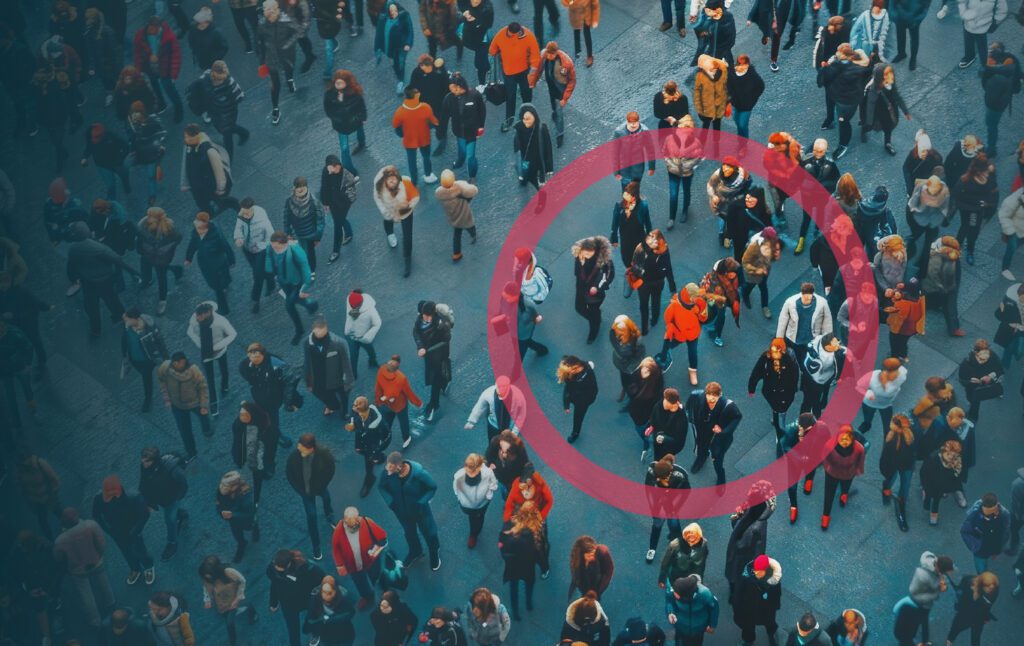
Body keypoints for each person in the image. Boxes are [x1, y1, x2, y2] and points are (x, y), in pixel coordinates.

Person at [66, 222, 136, 337]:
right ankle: (120, 317)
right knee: (112, 300)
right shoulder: (97, 247)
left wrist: (74, 279)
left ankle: (95, 330)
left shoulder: (73, 249)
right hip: (104, 279)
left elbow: (71, 266)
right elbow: (116, 259)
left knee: (91, 306)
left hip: (87, 281)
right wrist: (133, 272)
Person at [238, 341, 298, 471]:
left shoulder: (275, 364)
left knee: (272, 429)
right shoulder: (245, 364)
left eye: (257, 356)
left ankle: (269, 460)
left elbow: (290, 380)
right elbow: (244, 371)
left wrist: (287, 402)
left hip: (272, 402)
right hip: (259, 399)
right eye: (251, 356)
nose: (254, 360)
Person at [53, 508, 115, 630]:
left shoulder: (60, 540)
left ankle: (95, 620)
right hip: (96, 561)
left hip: (77, 569)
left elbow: (57, 558)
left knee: (85, 593)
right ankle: (111, 603)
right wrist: (99, 555)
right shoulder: (90, 525)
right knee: (104, 582)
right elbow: (102, 543)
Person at [379, 450, 442, 570]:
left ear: (399, 466)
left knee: (429, 532)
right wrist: (391, 502)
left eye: (391, 467)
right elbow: (381, 486)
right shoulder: (389, 472)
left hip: (420, 510)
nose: (388, 470)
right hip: (402, 512)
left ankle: (434, 550)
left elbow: (432, 487)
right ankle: (415, 551)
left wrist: (421, 502)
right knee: (409, 533)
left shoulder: (418, 473)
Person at [92, 474, 154, 585]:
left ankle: (148, 567)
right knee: (126, 552)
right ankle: (135, 569)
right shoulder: (99, 498)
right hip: (117, 532)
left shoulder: (134, 497)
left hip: (133, 530)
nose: (106, 498)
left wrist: (136, 530)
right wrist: (108, 530)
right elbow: (96, 515)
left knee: (140, 550)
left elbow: (145, 515)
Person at [286, 433, 337, 560]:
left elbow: (331, 469)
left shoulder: (323, 454)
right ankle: (316, 545)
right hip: (305, 492)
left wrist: (323, 484)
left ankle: (329, 513)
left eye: (302, 448)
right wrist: (300, 490)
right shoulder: (294, 457)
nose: (299, 449)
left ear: (311, 449)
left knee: (326, 497)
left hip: (319, 486)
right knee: (311, 516)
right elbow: (289, 474)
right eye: (299, 446)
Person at [724, 481, 775, 602]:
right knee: (742, 577)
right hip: (750, 556)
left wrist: (737, 518)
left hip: (742, 556)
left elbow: (739, 540)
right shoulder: (760, 515)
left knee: (735, 575)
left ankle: (735, 594)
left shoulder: (753, 524)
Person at [266, 231, 319, 344]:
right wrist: (270, 269)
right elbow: (268, 256)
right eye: (273, 246)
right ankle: (311, 305)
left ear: (284, 244)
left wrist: (303, 288)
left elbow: (305, 268)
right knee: (297, 299)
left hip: (296, 283)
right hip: (283, 281)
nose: (274, 248)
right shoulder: (272, 247)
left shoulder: (295, 249)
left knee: (289, 305)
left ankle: (299, 330)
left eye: (276, 247)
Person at [820, 44, 871, 160]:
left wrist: (826, 67)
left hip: (847, 102)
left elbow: (828, 76)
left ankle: (843, 145)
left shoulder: (847, 69)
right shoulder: (851, 66)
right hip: (844, 98)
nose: (837, 53)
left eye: (839, 52)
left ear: (845, 56)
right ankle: (831, 121)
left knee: (843, 121)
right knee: (842, 119)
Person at [331, 507, 388, 610]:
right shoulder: (339, 530)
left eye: (355, 523)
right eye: (349, 524)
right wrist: (340, 565)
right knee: (360, 582)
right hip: (353, 565)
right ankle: (367, 596)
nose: (352, 527)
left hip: (371, 561)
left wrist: (375, 550)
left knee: (375, 576)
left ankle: (377, 588)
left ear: (359, 518)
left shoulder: (367, 522)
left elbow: (382, 538)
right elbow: (336, 548)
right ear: (344, 520)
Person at [686, 381, 742, 485]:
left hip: (719, 438)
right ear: (705, 394)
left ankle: (721, 478)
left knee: (717, 460)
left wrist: (723, 430)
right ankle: (701, 458)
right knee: (701, 448)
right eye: (708, 396)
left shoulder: (728, 405)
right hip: (703, 433)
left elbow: (737, 417)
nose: (711, 400)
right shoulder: (699, 397)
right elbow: (691, 407)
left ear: (719, 395)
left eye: (714, 398)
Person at [139, 447, 189, 562]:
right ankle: (181, 514)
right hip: (159, 499)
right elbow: (143, 481)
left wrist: (176, 498)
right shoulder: (145, 466)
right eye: (143, 460)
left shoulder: (172, 469)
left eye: (147, 461)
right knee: (172, 514)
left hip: (170, 500)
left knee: (170, 520)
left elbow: (183, 484)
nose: (144, 463)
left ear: (155, 460)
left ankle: (172, 543)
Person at [158, 352, 210, 461]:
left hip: (195, 403)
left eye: (182, 362)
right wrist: (167, 399)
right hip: (177, 406)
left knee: (203, 415)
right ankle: (191, 452)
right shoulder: (165, 368)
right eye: (178, 363)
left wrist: (204, 405)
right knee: (184, 430)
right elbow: (162, 382)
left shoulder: (193, 370)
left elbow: (203, 387)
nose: (181, 364)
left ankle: (207, 428)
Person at [267, 549, 326, 646]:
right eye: (274, 565)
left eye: (279, 568)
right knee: (293, 629)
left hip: (306, 599)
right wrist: (273, 601)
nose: (275, 569)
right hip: (288, 604)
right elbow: (274, 584)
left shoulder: (307, 569)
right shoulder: (273, 569)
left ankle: (314, 633)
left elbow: (323, 578)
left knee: (313, 618)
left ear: (289, 564)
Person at [489, 22, 541, 130]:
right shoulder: (528, 35)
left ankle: (509, 121)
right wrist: (533, 70)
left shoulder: (501, 34)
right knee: (526, 94)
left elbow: (492, 50)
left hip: (509, 73)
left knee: (510, 97)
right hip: (523, 71)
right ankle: (528, 117)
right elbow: (535, 55)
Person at [497, 499, 544, 620]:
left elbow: (502, 545)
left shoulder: (510, 527)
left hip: (514, 565)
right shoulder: (535, 530)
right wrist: (543, 565)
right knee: (528, 584)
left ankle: (516, 611)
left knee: (514, 587)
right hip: (527, 565)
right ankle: (528, 604)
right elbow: (540, 550)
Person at [191, 60, 248, 158]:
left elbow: (239, 96)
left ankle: (229, 158)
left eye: (222, 79)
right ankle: (244, 133)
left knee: (227, 134)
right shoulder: (205, 80)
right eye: (219, 79)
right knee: (224, 129)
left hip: (229, 113)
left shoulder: (229, 81)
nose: (221, 82)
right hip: (215, 112)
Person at [258, 0, 301, 125]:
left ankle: (290, 79)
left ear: (277, 9)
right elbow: (259, 44)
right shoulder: (261, 25)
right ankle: (275, 108)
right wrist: (261, 61)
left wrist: (288, 45)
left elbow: (297, 32)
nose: (270, 12)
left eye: (272, 9)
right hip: (271, 58)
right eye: (266, 9)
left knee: (288, 70)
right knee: (275, 85)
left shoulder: (286, 20)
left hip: (287, 56)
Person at [133, 16, 183, 123]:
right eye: (152, 29)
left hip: (165, 68)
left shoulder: (169, 36)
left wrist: (174, 74)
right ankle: (162, 103)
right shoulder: (140, 35)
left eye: (157, 29)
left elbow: (176, 55)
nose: (155, 32)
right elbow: (137, 53)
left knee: (170, 89)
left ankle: (178, 108)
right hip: (150, 67)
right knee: (154, 86)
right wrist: (138, 69)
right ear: (149, 26)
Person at [181, 124, 239, 215]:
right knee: (202, 204)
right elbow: (185, 164)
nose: (186, 139)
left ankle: (236, 205)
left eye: (188, 137)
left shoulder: (209, 150)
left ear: (197, 136)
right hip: (196, 186)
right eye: (185, 137)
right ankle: (209, 215)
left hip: (210, 185)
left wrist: (220, 188)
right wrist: (185, 183)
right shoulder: (188, 147)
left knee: (220, 200)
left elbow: (219, 172)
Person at [373, 165, 420, 277]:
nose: (392, 181)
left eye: (394, 179)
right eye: (389, 180)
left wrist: (409, 205)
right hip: (389, 209)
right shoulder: (379, 187)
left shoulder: (406, 183)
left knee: (407, 236)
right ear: (385, 180)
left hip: (405, 211)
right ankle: (390, 233)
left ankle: (407, 259)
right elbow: (377, 199)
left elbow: (415, 196)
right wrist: (385, 212)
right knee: (388, 220)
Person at [303, 316, 355, 417]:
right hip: (319, 377)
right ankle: (333, 406)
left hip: (337, 377)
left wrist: (349, 381)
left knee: (344, 396)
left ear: (327, 329)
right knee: (324, 394)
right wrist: (308, 381)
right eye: (317, 332)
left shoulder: (338, 343)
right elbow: (307, 361)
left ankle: (344, 412)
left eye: (322, 332)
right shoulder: (307, 343)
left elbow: (346, 362)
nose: (319, 335)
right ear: (313, 329)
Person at [199, 555, 256, 646]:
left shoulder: (229, 572)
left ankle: (253, 615)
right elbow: (206, 587)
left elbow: (242, 581)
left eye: (210, 576)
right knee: (229, 621)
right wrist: (207, 599)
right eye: (206, 577)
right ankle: (233, 641)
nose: (208, 579)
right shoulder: (208, 578)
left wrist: (237, 598)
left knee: (245, 606)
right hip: (222, 602)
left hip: (235, 596)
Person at [747, 338, 799, 437]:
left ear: (782, 351)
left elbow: (794, 377)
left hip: (785, 392)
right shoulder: (766, 357)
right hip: (770, 390)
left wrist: (793, 390)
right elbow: (756, 372)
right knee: (776, 408)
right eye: (772, 350)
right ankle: (778, 421)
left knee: (782, 409)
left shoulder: (790, 360)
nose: (773, 353)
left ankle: (780, 425)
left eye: (776, 351)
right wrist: (751, 388)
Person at [656, 284, 708, 382]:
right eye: (696, 296)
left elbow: (704, 319)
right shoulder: (675, 304)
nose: (698, 298)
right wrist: (672, 328)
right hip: (679, 333)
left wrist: (700, 312)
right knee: (669, 346)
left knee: (692, 352)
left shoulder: (700, 303)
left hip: (692, 334)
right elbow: (668, 318)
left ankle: (693, 371)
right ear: (691, 297)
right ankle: (663, 359)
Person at [954, 154, 999, 266]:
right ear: (979, 171)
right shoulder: (965, 181)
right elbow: (957, 197)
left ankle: (970, 250)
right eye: (986, 171)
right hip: (967, 209)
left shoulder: (990, 177)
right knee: (964, 227)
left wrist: (988, 204)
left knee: (973, 230)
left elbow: (994, 191)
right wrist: (976, 204)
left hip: (976, 211)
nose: (988, 173)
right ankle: (956, 246)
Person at [528, 41, 575, 148]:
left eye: (551, 54)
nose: (549, 56)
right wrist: (533, 82)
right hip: (551, 86)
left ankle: (560, 133)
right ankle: (554, 112)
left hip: (560, 88)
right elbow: (539, 69)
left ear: (556, 52)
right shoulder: (544, 54)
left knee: (559, 111)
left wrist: (565, 98)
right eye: (548, 53)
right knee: (553, 105)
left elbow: (572, 81)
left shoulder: (566, 63)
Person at [644, 454, 690, 563]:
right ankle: (652, 548)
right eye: (657, 477)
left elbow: (686, 493)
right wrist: (653, 508)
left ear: (669, 474)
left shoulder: (680, 475)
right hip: (658, 503)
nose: (658, 479)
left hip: (671, 503)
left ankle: (678, 546)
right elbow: (648, 490)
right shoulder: (652, 470)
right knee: (656, 525)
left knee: (674, 525)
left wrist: (676, 508)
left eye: (661, 478)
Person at [233, 198, 276, 313]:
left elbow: (271, 238)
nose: (244, 216)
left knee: (257, 276)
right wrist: (238, 238)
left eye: (246, 213)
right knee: (261, 270)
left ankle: (255, 300)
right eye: (243, 213)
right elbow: (238, 228)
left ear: (252, 209)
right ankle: (271, 283)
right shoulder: (242, 214)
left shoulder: (263, 222)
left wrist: (259, 245)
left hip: (260, 251)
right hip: (248, 250)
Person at [122, 307, 169, 412]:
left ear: (135, 319)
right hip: (136, 360)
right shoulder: (127, 327)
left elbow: (160, 342)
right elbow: (124, 341)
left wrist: (166, 358)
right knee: (145, 377)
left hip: (149, 359)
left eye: (128, 319)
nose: (126, 322)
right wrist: (125, 355)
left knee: (151, 378)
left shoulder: (149, 327)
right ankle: (148, 398)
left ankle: (149, 399)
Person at [903, 552, 955, 646]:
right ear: (939, 568)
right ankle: (915, 639)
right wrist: (936, 593)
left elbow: (926, 553)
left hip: (925, 601)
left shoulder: (931, 560)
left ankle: (922, 640)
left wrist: (941, 580)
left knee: (922, 621)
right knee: (922, 621)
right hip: (920, 603)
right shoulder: (923, 575)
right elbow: (913, 591)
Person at [413, 300, 453, 420]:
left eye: (428, 316)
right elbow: (416, 332)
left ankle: (434, 404)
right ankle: (445, 384)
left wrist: (427, 350)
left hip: (439, 354)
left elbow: (446, 340)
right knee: (439, 374)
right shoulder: (420, 318)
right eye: (424, 316)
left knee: (435, 378)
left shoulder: (442, 324)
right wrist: (420, 346)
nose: (426, 319)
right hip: (429, 354)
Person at [324, 70, 368, 179]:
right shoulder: (330, 94)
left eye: (340, 83)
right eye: (336, 83)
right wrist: (338, 117)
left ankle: (361, 143)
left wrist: (362, 118)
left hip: (355, 121)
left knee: (360, 131)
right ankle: (350, 170)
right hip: (341, 126)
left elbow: (361, 106)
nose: (338, 85)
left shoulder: (354, 92)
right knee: (344, 148)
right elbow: (328, 110)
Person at [820, 425, 865, 530]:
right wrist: (828, 468)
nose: (845, 442)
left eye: (848, 439)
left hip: (848, 474)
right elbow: (825, 458)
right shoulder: (829, 445)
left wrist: (858, 470)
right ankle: (826, 515)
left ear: (852, 438)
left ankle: (844, 494)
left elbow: (860, 460)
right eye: (842, 438)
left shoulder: (859, 448)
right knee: (829, 494)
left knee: (846, 486)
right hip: (832, 474)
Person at [393, 86, 440, 185]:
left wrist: (402, 134)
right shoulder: (425, 107)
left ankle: (414, 180)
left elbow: (396, 125)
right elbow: (434, 121)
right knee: (426, 157)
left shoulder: (400, 112)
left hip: (409, 140)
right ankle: (428, 175)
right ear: (417, 95)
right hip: (424, 138)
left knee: (412, 161)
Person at [571, 236, 615, 343]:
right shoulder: (580, 257)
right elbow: (577, 273)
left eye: (588, 254)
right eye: (584, 253)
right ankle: (596, 318)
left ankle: (594, 331)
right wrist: (581, 262)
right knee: (579, 308)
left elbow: (610, 276)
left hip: (595, 293)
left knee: (593, 313)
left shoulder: (604, 261)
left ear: (594, 251)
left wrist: (598, 287)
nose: (586, 256)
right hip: (581, 289)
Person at [776, 282, 832, 366]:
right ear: (801, 293)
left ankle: (804, 369)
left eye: (809, 298)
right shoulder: (790, 302)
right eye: (805, 298)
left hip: (812, 339)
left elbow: (827, 322)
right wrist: (779, 338)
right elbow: (782, 321)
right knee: (791, 356)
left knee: (806, 358)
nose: (806, 301)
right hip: (793, 338)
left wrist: (827, 341)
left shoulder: (822, 303)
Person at [861, 63, 910, 156]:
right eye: (887, 74)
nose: (891, 76)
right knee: (869, 126)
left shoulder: (891, 82)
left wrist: (905, 111)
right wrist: (869, 120)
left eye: (891, 73)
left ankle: (887, 144)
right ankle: (864, 130)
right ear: (880, 77)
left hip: (889, 109)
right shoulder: (873, 89)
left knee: (888, 128)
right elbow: (870, 106)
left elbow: (897, 96)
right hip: (878, 112)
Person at [231, 401, 274, 505]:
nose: (242, 416)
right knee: (255, 476)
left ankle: (256, 501)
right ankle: (254, 501)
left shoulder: (262, 420)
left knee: (257, 478)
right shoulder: (238, 425)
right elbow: (237, 443)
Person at [732, 554, 782, 645]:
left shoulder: (773, 580)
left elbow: (777, 594)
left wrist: (775, 606)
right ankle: (748, 640)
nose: (756, 573)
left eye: (759, 571)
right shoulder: (746, 578)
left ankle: (773, 636)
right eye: (755, 570)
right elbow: (739, 593)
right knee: (748, 626)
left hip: (767, 608)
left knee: (770, 623)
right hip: (749, 608)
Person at [663, 117, 704, 226]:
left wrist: (686, 165)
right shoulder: (670, 139)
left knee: (686, 191)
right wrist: (670, 164)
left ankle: (685, 211)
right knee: (673, 194)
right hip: (673, 171)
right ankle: (671, 218)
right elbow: (665, 153)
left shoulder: (696, 142)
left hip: (686, 172)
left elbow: (698, 157)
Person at [346, 395, 389, 498]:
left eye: (355, 408)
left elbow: (379, 439)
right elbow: (353, 418)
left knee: (369, 461)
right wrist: (351, 425)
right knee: (360, 450)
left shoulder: (374, 425)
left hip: (372, 442)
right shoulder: (359, 412)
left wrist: (373, 453)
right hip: (362, 437)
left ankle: (369, 480)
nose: (353, 409)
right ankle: (380, 457)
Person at [375, 355, 423, 448]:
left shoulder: (381, 370)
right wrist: (418, 403)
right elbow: (409, 393)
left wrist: (378, 400)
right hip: (399, 404)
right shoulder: (401, 378)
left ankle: (384, 437)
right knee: (403, 422)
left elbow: (378, 387)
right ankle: (406, 439)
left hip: (386, 403)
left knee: (387, 421)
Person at [14, 449, 62, 540]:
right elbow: (20, 485)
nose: (25, 465)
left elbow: (55, 480)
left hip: (49, 497)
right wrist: (28, 501)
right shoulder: (19, 469)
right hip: (35, 500)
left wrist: (53, 494)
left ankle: (70, 528)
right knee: (43, 522)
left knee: (60, 513)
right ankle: (51, 540)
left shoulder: (40, 463)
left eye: (26, 462)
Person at [283, 176, 326, 278]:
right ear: (294, 188)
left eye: (302, 186)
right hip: (298, 233)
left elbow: (320, 220)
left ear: (306, 187)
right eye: (298, 186)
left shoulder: (314, 201)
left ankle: (311, 271)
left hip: (310, 234)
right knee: (301, 252)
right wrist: (287, 232)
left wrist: (317, 237)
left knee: (309, 252)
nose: (300, 189)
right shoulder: (289, 201)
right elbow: (286, 217)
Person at [126, 102, 167, 205]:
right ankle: (158, 174)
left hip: (153, 152)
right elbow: (132, 138)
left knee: (150, 175)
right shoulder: (133, 124)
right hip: (143, 152)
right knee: (152, 171)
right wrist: (132, 150)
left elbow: (161, 133)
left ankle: (152, 195)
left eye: (136, 113)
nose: (134, 116)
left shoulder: (152, 121)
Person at [881, 414, 916, 532]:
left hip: (906, 466)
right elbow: (885, 454)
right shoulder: (891, 437)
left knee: (904, 489)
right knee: (890, 481)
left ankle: (901, 511)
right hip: (895, 466)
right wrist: (885, 469)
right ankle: (886, 492)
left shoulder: (910, 435)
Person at [320, 155, 359, 261]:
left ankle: (336, 251)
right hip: (332, 203)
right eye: (330, 169)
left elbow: (351, 194)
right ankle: (349, 233)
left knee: (337, 225)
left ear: (338, 165)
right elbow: (324, 186)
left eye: (334, 169)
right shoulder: (327, 170)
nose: (331, 172)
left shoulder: (346, 175)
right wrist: (325, 203)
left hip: (343, 204)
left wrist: (343, 200)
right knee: (339, 220)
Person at [435, 169, 478, 261]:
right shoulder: (459, 188)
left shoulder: (440, 193)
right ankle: (473, 235)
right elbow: (473, 191)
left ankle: (456, 253)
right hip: (464, 214)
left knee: (457, 235)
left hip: (454, 217)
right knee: (470, 226)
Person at [961, 493, 1011, 573]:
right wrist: (975, 546)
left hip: (996, 547)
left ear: (997, 506)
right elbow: (965, 531)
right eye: (986, 514)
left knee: (993, 569)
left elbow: (1006, 530)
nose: (988, 517)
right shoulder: (973, 516)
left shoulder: (1004, 514)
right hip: (980, 551)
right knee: (982, 573)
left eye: (992, 513)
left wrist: (1000, 546)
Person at [921, 439, 967, 525]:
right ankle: (926, 502)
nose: (950, 457)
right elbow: (924, 472)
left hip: (941, 486)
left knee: (936, 501)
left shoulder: (956, 461)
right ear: (944, 451)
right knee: (928, 495)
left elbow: (955, 475)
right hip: (931, 483)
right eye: (949, 454)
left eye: (953, 456)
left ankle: (933, 515)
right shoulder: (934, 458)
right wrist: (924, 484)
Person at [858, 356, 907, 436]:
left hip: (886, 405)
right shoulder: (872, 377)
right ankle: (867, 425)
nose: (898, 374)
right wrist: (868, 394)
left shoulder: (901, 376)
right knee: (868, 417)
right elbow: (859, 386)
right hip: (870, 403)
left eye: (897, 371)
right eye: (895, 372)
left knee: (888, 425)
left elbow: (902, 369)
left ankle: (888, 436)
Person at [957, 338, 1004, 421]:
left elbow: (999, 369)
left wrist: (990, 376)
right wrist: (969, 381)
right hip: (972, 387)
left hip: (985, 386)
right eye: (981, 359)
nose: (985, 361)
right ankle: (972, 413)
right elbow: (961, 379)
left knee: (975, 401)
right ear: (975, 352)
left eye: (987, 358)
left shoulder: (992, 355)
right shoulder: (967, 362)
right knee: (972, 399)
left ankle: (973, 417)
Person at [946, 572, 999, 645]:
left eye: (992, 588)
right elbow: (960, 593)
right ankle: (949, 640)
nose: (989, 590)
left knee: (976, 637)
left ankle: (949, 640)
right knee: (955, 628)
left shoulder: (993, 592)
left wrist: (985, 618)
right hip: (965, 612)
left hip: (979, 617)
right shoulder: (968, 582)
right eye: (988, 588)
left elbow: (987, 606)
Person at [216, 470, 258, 561]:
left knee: (251, 525)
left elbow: (250, 512)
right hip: (233, 520)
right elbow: (219, 504)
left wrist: (233, 515)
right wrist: (221, 512)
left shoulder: (245, 494)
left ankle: (255, 529)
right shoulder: (221, 490)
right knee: (237, 534)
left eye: (226, 486)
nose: (222, 488)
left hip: (244, 518)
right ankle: (242, 543)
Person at [80, 124, 131, 200]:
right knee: (110, 185)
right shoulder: (91, 140)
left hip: (117, 163)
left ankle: (126, 185)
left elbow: (125, 146)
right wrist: (84, 157)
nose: (93, 140)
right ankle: (111, 203)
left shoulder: (110, 137)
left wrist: (121, 158)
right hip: (103, 166)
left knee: (124, 175)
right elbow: (88, 149)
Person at [374, 1, 415, 95]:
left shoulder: (404, 16)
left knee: (400, 63)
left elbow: (409, 31)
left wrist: (407, 43)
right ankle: (398, 73)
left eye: (395, 10)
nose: (393, 13)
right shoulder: (383, 18)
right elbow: (379, 35)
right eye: (391, 11)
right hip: (390, 47)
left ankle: (400, 82)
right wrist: (378, 49)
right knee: (395, 63)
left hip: (401, 47)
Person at [513, 103, 555, 194]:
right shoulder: (519, 127)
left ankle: (540, 191)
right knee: (525, 172)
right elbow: (517, 145)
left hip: (539, 160)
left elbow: (548, 149)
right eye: (524, 119)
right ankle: (524, 179)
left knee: (539, 184)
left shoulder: (542, 128)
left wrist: (549, 168)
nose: (526, 122)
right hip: (526, 159)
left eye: (528, 119)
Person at [741, 226, 781, 318]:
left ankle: (765, 307)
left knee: (763, 288)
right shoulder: (754, 245)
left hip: (764, 271)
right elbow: (745, 262)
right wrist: (756, 270)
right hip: (753, 272)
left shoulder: (770, 242)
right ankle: (745, 295)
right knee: (750, 286)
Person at [557, 355, 598, 443]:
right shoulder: (569, 376)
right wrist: (566, 404)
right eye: (577, 368)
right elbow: (567, 389)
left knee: (578, 417)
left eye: (579, 366)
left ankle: (575, 433)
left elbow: (594, 387)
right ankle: (576, 432)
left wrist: (587, 400)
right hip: (575, 396)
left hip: (584, 400)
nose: (581, 368)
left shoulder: (587, 368)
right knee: (578, 416)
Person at [746, 0, 795, 72]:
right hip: (767, 13)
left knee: (776, 37)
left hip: (780, 18)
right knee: (766, 27)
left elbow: (789, 9)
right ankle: (766, 34)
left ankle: (773, 60)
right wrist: (750, 17)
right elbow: (758, 2)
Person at [958, 0, 1009, 69]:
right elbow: (962, 2)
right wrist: (963, 14)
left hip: (983, 26)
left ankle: (985, 63)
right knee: (968, 41)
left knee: (982, 46)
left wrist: (995, 22)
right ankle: (969, 56)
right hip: (968, 23)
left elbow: (1003, 10)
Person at [726, 55, 764, 138]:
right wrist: (729, 99)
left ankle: (743, 143)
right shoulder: (732, 73)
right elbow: (727, 85)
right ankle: (741, 136)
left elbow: (761, 86)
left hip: (747, 107)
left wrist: (752, 100)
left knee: (742, 125)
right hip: (735, 104)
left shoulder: (752, 74)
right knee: (737, 122)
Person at [487, 430, 531, 500]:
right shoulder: (495, 443)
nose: (503, 455)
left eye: (508, 452)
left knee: (509, 493)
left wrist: (522, 482)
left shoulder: (520, 451)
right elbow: (488, 458)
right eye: (501, 450)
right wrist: (491, 470)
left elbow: (528, 466)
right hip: (501, 477)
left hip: (513, 481)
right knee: (506, 491)